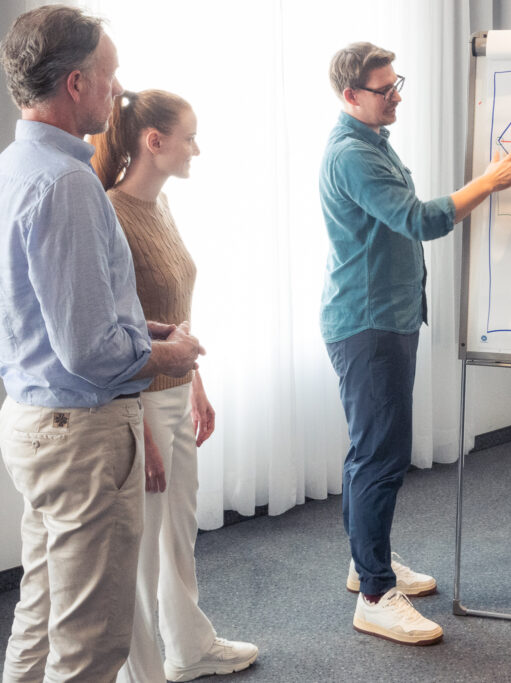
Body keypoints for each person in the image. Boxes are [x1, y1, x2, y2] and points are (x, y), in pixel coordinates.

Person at [0, 7, 203, 681]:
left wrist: (141, 329)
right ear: (77, 83)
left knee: (38, 618)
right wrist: (168, 356)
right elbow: (88, 352)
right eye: (110, 74)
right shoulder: (68, 184)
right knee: (89, 648)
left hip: (34, 419)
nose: (118, 89)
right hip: (80, 435)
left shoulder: (16, 166)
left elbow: (47, 313)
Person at [320, 42, 511, 646]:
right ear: (350, 96)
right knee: (381, 456)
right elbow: (418, 219)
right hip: (369, 325)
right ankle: (374, 595)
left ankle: (366, 562)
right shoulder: (352, 154)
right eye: (384, 89)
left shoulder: (371, 141)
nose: (396, 96)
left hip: (381, 319)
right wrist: (489, 182)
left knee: (370, 449)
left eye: (398, 83)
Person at [89, 89, 259, 682]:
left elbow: (169, 313)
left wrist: (195, 382)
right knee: (140, 556)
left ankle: (189, 648)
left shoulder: (159, 205)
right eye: (189, 138)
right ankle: (144, 673)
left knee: (179, 536)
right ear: (153, 141)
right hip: (136, 404)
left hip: (173, 393)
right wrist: (141, 431)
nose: (197, 149)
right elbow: (114, 332)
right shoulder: (109, 212)